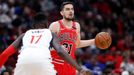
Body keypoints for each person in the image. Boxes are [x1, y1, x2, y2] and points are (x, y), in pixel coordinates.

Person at [0, 13, 91, 75]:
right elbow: (60, 51)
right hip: (42, 63)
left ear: (33, 25)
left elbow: (5, 54)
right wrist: (79, 68)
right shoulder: (50, 34)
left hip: (23, 63)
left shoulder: (24, 35)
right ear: (47, 24)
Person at [49, 1, 95, 75]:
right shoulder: (55, 25)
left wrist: (94, 41)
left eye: (72, 9)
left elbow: (76, 44)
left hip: (70, 65)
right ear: (62, 13)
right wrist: (58, 47)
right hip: (56, 63)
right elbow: (46, 45)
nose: (70, 11)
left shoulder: (77, 26)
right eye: (67, 9)